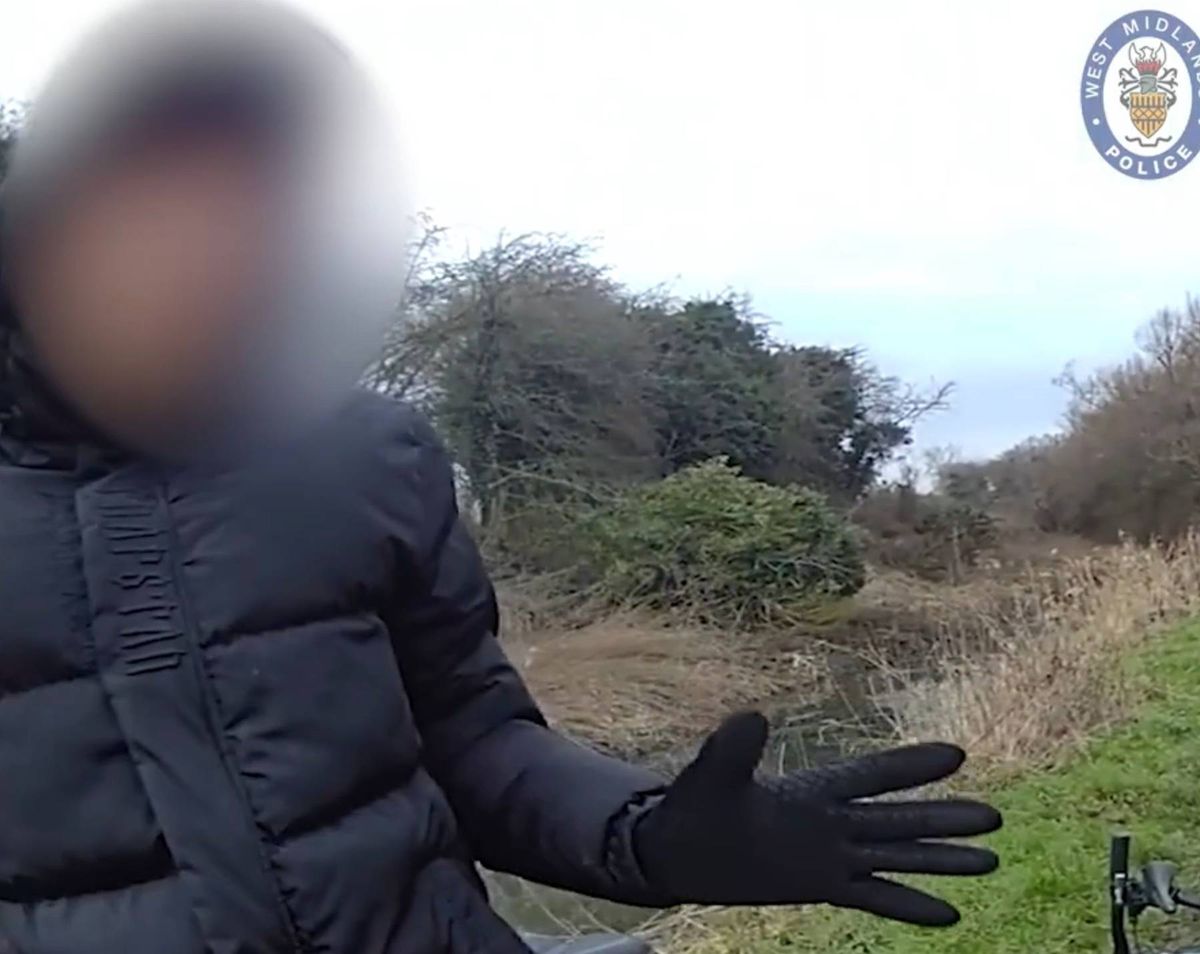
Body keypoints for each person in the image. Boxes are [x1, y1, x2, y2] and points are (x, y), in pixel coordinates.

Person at [0, 2, 1002, 952]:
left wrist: (646, 835)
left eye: (248, 210)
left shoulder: (364, 455)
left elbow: (475, 744)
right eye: (158, 203)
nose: (207, 252)